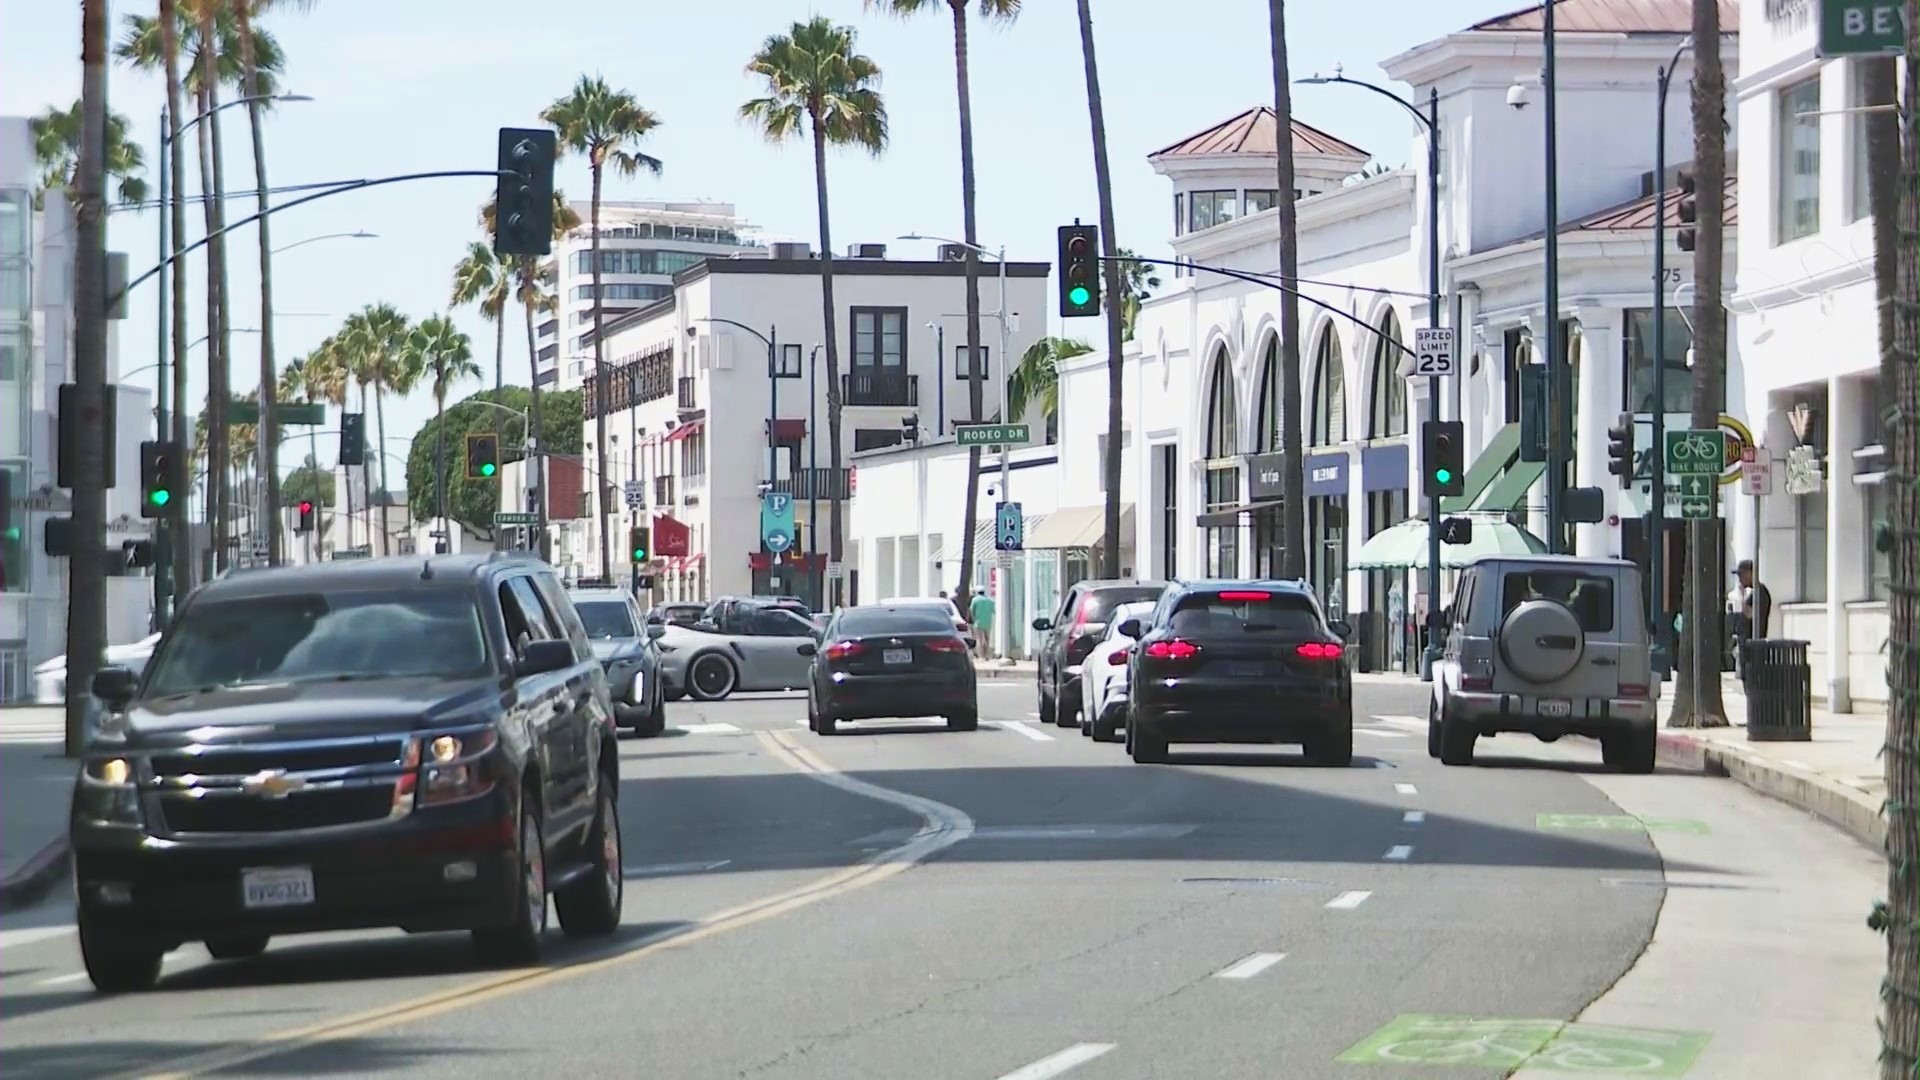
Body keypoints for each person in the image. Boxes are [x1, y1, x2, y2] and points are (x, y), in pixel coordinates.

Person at [968, 587, 996, 660]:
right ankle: (987, 655)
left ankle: (981, 656)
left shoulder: (975, 600)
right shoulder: (990, 600)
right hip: (988, 622)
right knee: (987, 639)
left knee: (979, 640)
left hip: (978, 622)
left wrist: (973, 619)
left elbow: (971, 610)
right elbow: (993, 611)